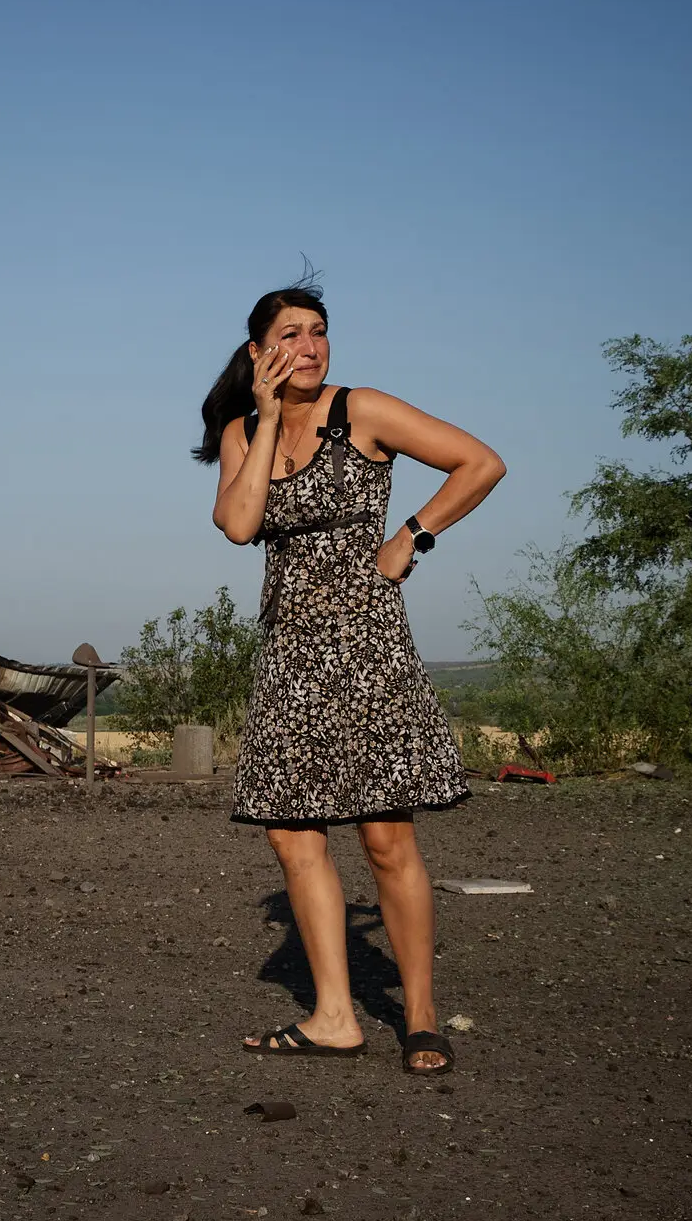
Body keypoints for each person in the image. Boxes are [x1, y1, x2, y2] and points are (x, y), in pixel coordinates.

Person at [199, 281, 505, 1074]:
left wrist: (413, 534)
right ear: (260, 351)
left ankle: (421, 1016)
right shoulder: (242, 431)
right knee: (291, 832)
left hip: (366, 642)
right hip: (290, 650)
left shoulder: (359, 410)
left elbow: (481, 462)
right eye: (291, 333)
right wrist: (267, 419)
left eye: (320, 331)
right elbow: (239, 524)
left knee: (384, 834)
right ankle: (335, 1015)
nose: (310, 346)